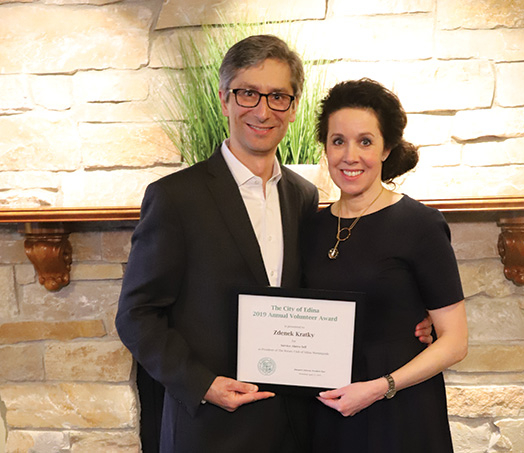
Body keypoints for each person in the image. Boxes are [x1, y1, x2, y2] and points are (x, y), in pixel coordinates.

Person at [116, 35, 435, 452]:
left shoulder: (303, 197)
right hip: (211, 428)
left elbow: (327, 289)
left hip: (294, 425)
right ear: (224, 98)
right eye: (248, 93)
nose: (263, 111)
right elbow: (136, 314)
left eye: (278, 97)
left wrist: (410, 317)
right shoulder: (175, 197)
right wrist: (203, 385)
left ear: (294, 107)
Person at [301, 78, 468, 453]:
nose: (349, 156)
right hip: (327, 414)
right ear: (325, 148)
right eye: (338, 141)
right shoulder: (309, 227)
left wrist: (380, 388)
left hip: (398, 413)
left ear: (386, 148)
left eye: (365, 141)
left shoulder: (419, 224)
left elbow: (455, 341)